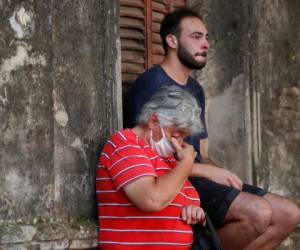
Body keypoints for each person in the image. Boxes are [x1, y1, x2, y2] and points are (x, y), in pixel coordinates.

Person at [123, 8, 300, 250]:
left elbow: (201, 151)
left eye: (206, 37)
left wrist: (219, 172)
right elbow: (147, 158)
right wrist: (205, 171)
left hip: (195, 175)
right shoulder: (151, 85)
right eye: (196, 37)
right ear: (171, 41)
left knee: (289, 214)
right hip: (175, 182)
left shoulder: (196, 89)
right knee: (258, 213)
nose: (205, 44)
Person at [96, 85, 206, 249]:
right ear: (153, 122)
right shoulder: (123, 144)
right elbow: (152, 199)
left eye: (184, 138)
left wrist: (196, 214)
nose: (180, 144)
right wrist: (187, 164)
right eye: (176, 136)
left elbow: (185, 201)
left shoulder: (167, 157)